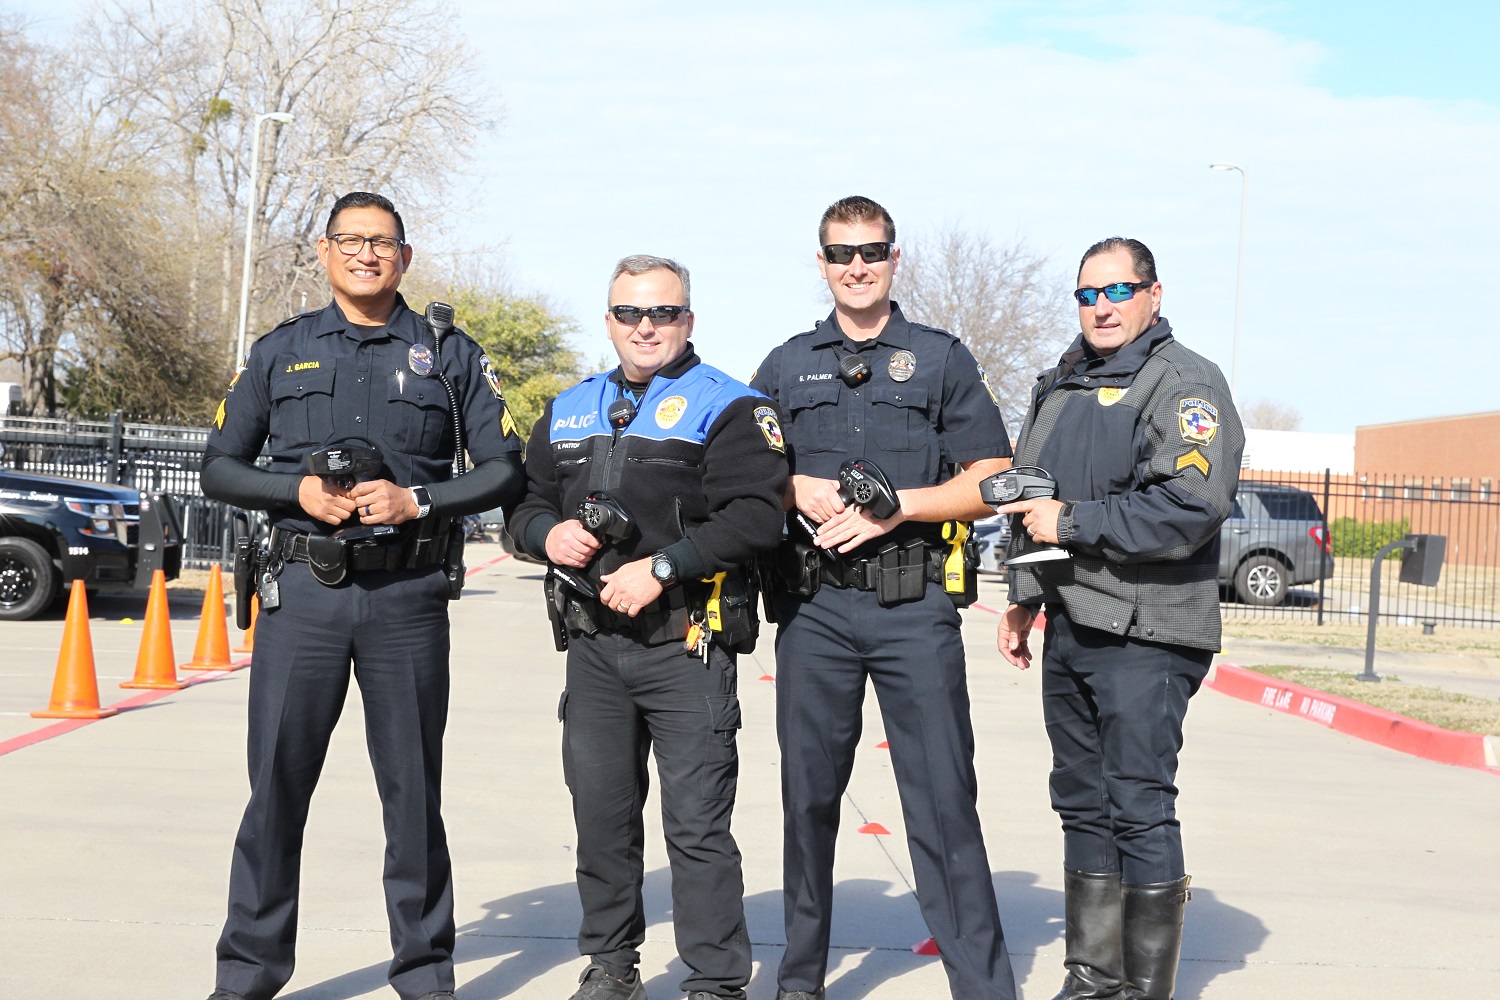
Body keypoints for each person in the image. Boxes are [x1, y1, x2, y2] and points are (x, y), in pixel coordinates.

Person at [200, 191, 525, 1000]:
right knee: (275, 789)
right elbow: (219, 465)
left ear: (405, 257)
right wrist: (295, 492)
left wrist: (419, 500)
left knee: (412, 793)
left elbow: (503, 467)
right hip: (302, 592)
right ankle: (247, 975)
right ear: (324, 250)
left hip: (406, 597)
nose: (367, 254)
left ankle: (424, 977)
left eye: (383, 242)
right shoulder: (280, 351)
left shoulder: (447, 355)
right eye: (352, 240)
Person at [749, 195, 1018, 1000]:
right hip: (815, 611)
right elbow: (744, 467)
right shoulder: (787, 364)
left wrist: (899, 506)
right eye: (840, 253)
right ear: (822, 263)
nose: (856, 266)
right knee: (808, 803)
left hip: (913, 609)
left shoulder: (940, 360)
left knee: (942, 800)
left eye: (871, 251)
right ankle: (800, 981)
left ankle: (982, 986)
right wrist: (794, 482)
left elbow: (993, 479)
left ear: (895, 258)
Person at [507, 255, 788, 1000]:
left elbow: (760, 516)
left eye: (662, 313)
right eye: (630, 313)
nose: (645, 327)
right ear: (609, 321)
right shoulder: (570, 406)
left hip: (683, 645)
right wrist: (546, 535)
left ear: (687, 320)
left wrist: (664, 567)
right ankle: (610, 965)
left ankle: (716, 980)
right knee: (601, 820)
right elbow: (523, 502)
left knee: (696, 829)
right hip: (594, 651)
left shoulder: (728, 406)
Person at [994, 237, 1244, 1000]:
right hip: (1073, 621)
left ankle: (1141, 990)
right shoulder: (1063, 383)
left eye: (1117, 291)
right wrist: (1024, 598)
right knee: (1081, 801)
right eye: (1087, 294)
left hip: (1149, 631)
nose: (1101, 307)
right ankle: (1092, 980)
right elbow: (1031, 497)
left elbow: (1187, 508)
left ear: (1153, 295)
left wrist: (1070, 522)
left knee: (1137, 802)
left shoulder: (1184, 384)